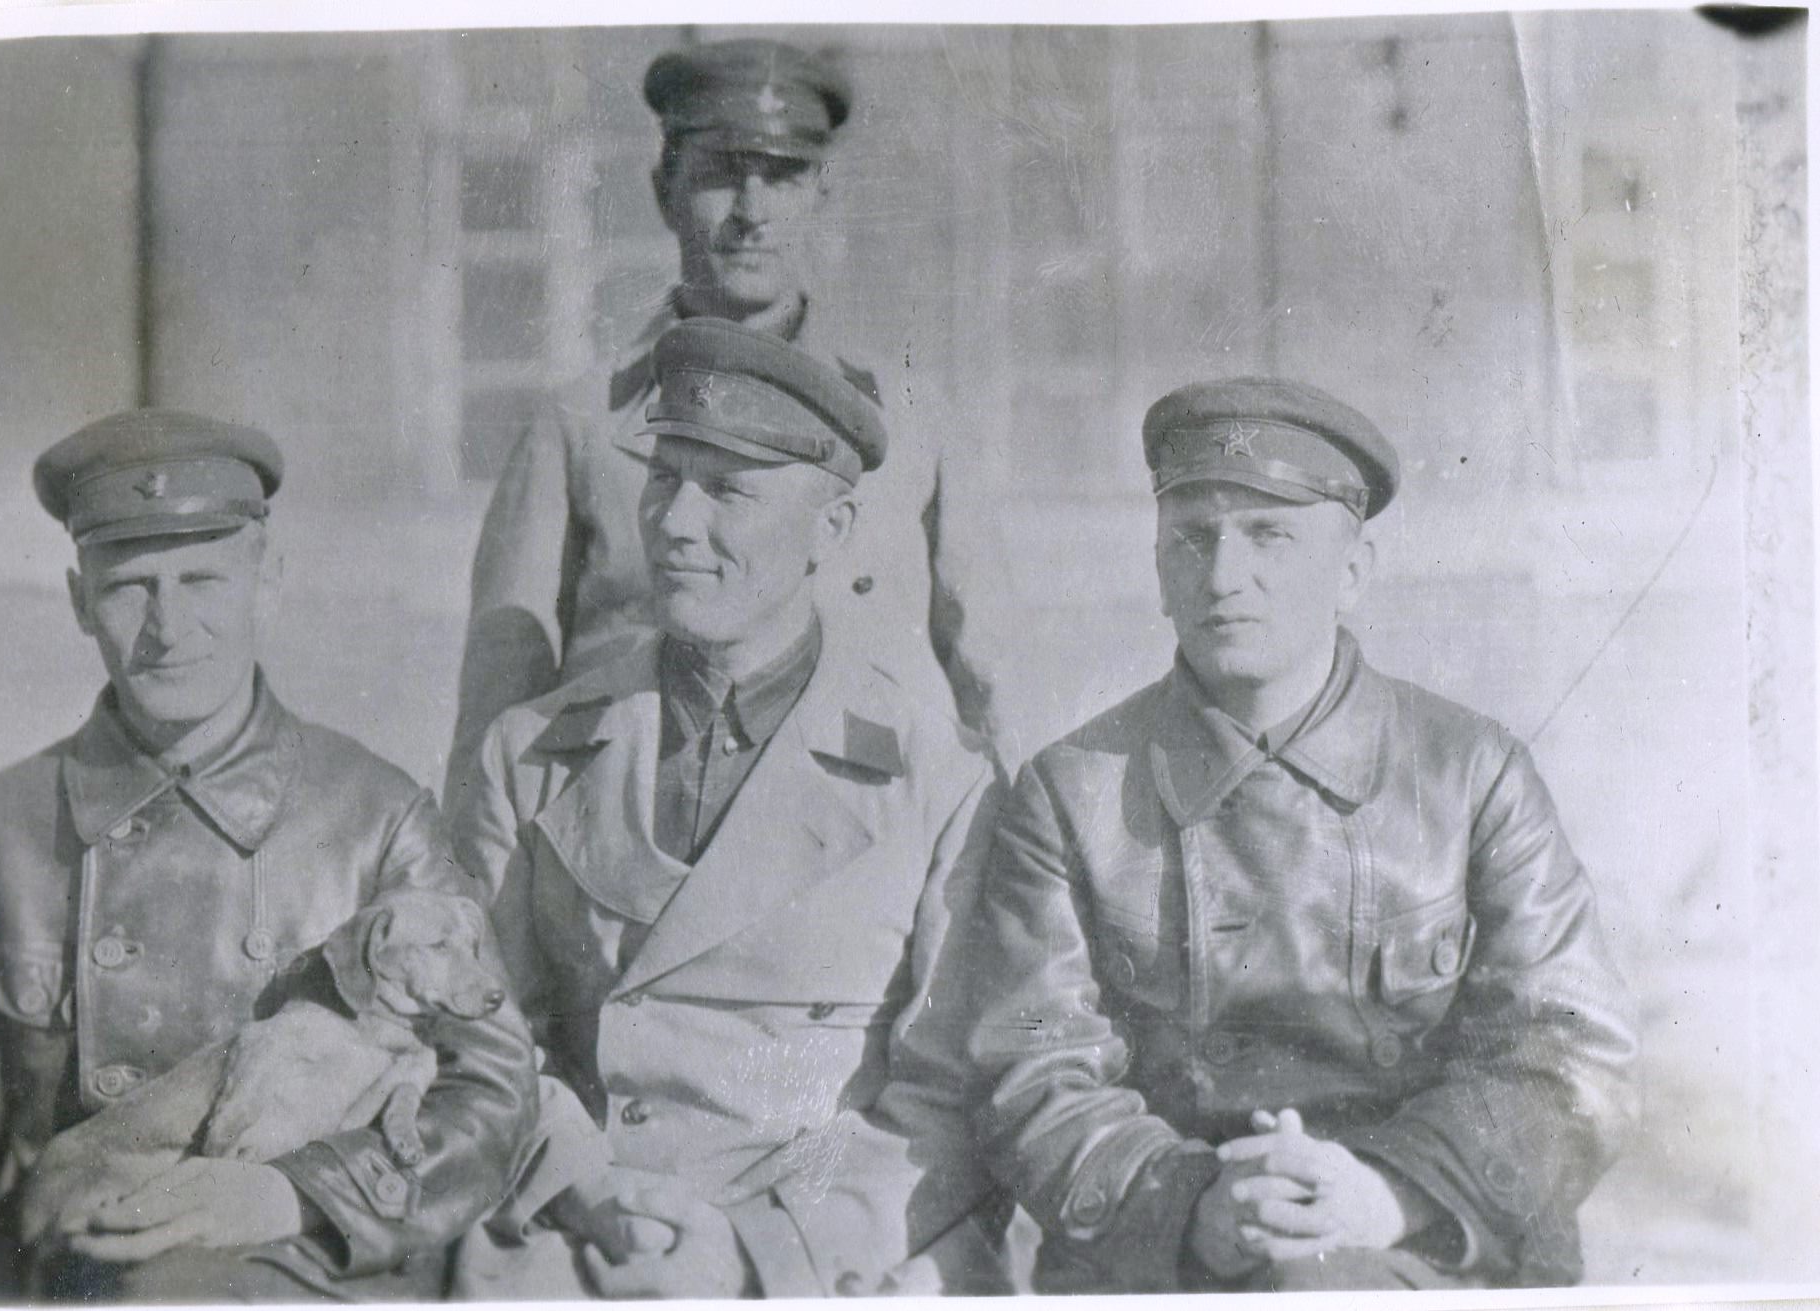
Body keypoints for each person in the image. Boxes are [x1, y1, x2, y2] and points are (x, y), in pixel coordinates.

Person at [963, 377, 1640, 1292]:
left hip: (1425, 1248)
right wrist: (1195, 1205)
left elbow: (1573, 1051)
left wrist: (1391, 1192)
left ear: (1353, 571)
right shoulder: (1068, 793)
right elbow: (1031, 1064)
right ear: (1159, 568)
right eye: (1192, 538)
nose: (1222, 576)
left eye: (1269, 534)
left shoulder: (1474, 773)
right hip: (1164, 1258)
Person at [450, 319, 1007, 1298]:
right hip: (580, 1226)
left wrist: (754, 1247)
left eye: (729, 491)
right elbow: (482, 1038)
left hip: (819, 1251)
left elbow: (948, 1098)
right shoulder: (529, 752)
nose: (674, 523)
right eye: (664, 477)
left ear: (831, 530)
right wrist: (590, 1191)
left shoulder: (940, 778)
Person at [0, 409, 537, 1302]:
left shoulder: (376, 815)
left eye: (203, 580)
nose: (169, 627)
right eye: (129, 587)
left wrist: (293, 1192)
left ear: (268, 580)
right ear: (77, 601)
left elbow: (493, 1090)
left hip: (300, 1268)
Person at [447, 37, 1008, 805]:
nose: (752, 212)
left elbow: (993, 675)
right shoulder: (580, 422)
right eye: (719, 174)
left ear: (822, 193)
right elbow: (499, 698)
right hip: (643, 822)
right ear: (664, 191)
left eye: (784, 176)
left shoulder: (910, 421)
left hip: (870, 825)